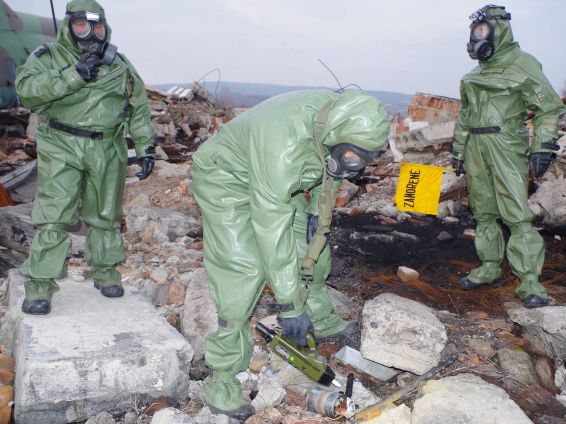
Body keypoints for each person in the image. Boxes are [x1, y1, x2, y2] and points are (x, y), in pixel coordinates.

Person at [192, 90, 389, 420]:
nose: (357, 166)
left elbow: (331, 170)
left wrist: (317, 213)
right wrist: (289, 306)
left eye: (365, 158)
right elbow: (271, 228)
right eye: (353, 156)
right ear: (335, 135)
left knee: (312, 248)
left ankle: (320, 318)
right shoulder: (284, 143)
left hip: (277, 178)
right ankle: (221, 377)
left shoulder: (337, 123)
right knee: (243, 270)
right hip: (226, 177)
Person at [15, 0, 155, 315]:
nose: (91, 33)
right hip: (61, 144)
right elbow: (27, 91)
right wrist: (73, 76)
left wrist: (146, 147)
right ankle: (40, 284)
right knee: (54, 214)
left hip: (106, 147)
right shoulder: (49, 57)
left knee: (105, 213)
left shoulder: (119, 64)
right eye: (81, 25)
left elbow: (138, 107)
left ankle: (104, 270)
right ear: (69, 27)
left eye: (97, 26)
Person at [451, 4, 565, 308]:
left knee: (516, 212)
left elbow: (549, 107)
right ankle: (490, 266)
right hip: (476, 146)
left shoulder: (522, 64)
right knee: (483, 210)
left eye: (484, 30)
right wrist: (459, 149)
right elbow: (465, 115)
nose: (479, 37)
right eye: (475, 31)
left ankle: (529, 280)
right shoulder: (474, 74)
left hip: (505, 143)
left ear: (499, 30)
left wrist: (543, 145)